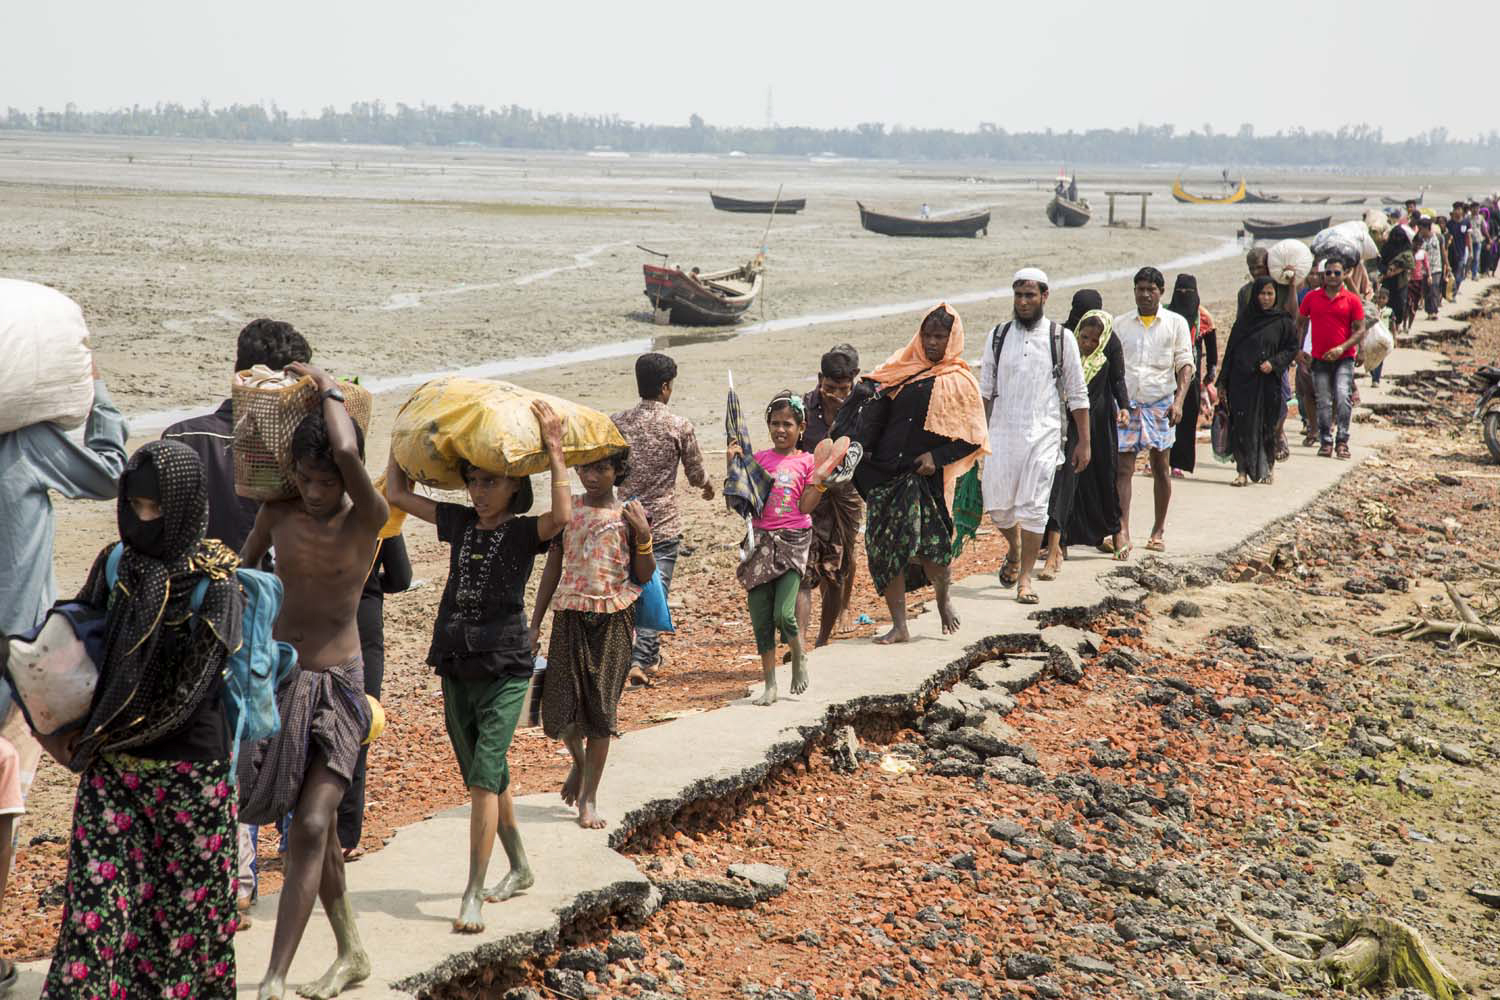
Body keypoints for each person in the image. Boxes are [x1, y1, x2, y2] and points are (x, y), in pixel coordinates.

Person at [26, 441, 241, 999]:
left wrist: (96, 741)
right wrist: (41, 704)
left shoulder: (216, 586)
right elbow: (73, 647)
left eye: (155, 509)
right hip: (112, 777)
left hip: (189, 781)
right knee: (93, 925)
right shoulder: (115, 562)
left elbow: (188, 696)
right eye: (134, 505)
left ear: (187, 507)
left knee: (186, 934)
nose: (142, 519)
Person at [385, 400, 569, 932]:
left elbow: (562, 517)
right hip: (455, 663)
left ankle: (473, 892)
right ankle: (521, 868)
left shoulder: (522, 532)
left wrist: (555, 449)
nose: (478, 491)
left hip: (507, 665)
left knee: (483, 780)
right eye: (472, 481)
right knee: (487, 775)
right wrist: (405, 437)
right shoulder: (460, 522)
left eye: (489, 482)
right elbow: (397, 495)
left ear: (514, 486)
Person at [238, 363, 387, 1000]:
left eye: (327, 480)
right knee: (306, 829)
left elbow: (348, 450)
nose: (317, 491)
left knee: (311, 824)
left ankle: (274, 976)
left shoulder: (366, 516)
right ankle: (351, 949)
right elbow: (242, 579)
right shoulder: (278, 514)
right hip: (283, 679)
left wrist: (324, 385)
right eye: (306, 479)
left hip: (343, 684)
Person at [162, 316, 312, 921]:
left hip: (192, 615)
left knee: (213, 746)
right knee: (264, 738)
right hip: (268, 613)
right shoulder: (295, 456)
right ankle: (265, 864)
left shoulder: (180, 438)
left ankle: (225, 871)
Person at [0, 356, 127, 986]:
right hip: (18, 658)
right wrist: (98, 391)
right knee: (5, 800)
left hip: (17, 657)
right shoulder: (24, 445)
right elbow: (108, 473)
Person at [531, 451, 654, 830]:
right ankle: (581, 765)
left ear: (618, 470)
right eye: (585, 467)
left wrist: (645, 536)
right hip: (569, 612)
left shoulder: (629, 514)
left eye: (602, 467)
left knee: (601, 710)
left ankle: (589, 797)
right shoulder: (568, 511)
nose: (592, 475)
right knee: (559, 706)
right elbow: (553, 565)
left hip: (615, 616)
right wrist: (534, 623)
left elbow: (644, 573)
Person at [854, 304, 986, 644]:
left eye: (939, 337)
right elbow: (874, 402)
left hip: (922, 477)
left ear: (952, 338)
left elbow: (972, 436)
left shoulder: (960, 381)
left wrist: (937, 456)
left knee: (932, 551)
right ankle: (900, 625)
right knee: (887, 549)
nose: (931, 343)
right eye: (927, 335)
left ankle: (943, 599)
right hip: (886, 473)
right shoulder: (901, 366)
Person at [979, 269, 1089, 603]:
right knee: (997, 508)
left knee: (1034, 508)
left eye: (1030, 295)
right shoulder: (998, 336)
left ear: (1044, 296)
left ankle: (1025, 579)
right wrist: (977, 438)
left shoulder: (1060, 337)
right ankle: (1014, 549)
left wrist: (1085, 441)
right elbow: (985, 390)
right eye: (1018, 296)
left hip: (1044, 433)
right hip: (1001, 434)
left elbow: (1077, 392)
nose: (1024, 302)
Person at [612, 353, 713, 685]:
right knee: (655, 588)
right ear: (666, 387)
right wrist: (709, 487)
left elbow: (606, 469)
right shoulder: (679, 426)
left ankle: (635, 656)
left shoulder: (617, 422)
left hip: (623, 521)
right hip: (663, 526)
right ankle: (642, 660)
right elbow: (696, 473)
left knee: (628, 588)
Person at [729, 392, 829, 704]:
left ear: (801, 427)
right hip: (760, 543)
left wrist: (822, 483)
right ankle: (770, 685)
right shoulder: (758, 459)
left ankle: (799, 656)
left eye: (787, 424)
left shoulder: (808, 462)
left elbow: (806, 505)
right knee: (761, 619)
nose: (780, 430)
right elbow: (740, 498)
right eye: (775, 423)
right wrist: (732, 461)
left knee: (785, 615)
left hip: (793, 543)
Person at [336, 536, 411, 861]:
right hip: (363, 632)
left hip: (312, 627)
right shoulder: (380, 519)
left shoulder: (301, 511)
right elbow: (401, 578)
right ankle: (344, 836)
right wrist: (371, 585)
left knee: (308, 725)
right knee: (358, 730)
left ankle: (297, 832)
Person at [1114, 267, 1193, 553]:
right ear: (1134, 290)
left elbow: (1185, 364)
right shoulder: (1120, 324)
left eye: (1151, 289)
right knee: (1123, 468)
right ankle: (1122, 530)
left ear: (1161, 292)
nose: (1145, 295)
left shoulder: (1175, 323)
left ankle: (1158, 530)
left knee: (1161, 466)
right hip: (1128, 404)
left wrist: (1179, 401)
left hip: (1161, 403)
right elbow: (1113, 367)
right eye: (1140, 289)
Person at [798, 344, 863, 648]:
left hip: (847, 490)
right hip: (811, 489)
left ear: (855, 380)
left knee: (844, 552)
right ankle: (804, 635)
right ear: (819, 379)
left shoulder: (863, 406)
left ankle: (842, 610)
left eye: (843, 388)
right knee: (807, 557)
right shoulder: (803, 407)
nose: (836, 394)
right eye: (829, 387)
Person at [1217, 277, 1299, 485]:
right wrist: (1222, 382)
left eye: (1270, 294)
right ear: (1254, 295)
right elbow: (1230, 353)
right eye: (1262, 293)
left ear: (1275, 296)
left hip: (1269, 382)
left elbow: (1291, 349)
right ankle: (1242, 471)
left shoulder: (1282, 321)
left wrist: (1274, 363)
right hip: (1241, 382)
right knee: (1241, 426)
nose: (1265, 298)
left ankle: (1268, 467)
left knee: (1267, 425)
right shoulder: (1243, 322)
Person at [1298, 259, 1365, 460]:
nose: (1332, 276)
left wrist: (1344, 348)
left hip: (1344, 357)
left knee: (1343, 396)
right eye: (1328, 273)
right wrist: (1299, 350)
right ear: (1323, 275)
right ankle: (1326, 441)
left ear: (1344, 274)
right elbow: (1299, 323)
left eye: (1337, 273)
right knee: (1324, 400)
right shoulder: (1312, 297)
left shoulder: (1351, 299)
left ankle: (1342, 441)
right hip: (1318, 358)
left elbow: (1360, 328)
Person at [1235, 248, 1296, 462]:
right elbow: (1240, 325)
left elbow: (1293, 316)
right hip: (1252, 355)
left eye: (1260, 267)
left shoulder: (1279, 289)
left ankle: (1277, 433)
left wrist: (1292, 285)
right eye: (1252, 268)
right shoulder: (1245, 293)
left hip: (1277, 356)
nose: (1256, 272)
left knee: (1280, 399)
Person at [1165, 274, 1215, 478]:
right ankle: (1161, 460)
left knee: (1185, 422)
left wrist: (1210, 375)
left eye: (1188, 292)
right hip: (1166, 376)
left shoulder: (1202, 317)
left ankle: (1178, 463)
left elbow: (1211, 351)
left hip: (1191, 378)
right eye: (1180, 292)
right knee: (1164, 419)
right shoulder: (1166, 313)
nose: (1184, 296)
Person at [1447, 203, 1471, 295]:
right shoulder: (1449, 224)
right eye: (1455, 209)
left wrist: (1471, 251)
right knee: (1451, 273)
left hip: (1461, 252)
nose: (1457, 211)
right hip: (1450, 253)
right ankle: (1450, 292)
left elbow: (1468, 237)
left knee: (1459, 274)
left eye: (1459, 209)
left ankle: (1454, 291)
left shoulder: (1466, 222)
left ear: (1462, 211)